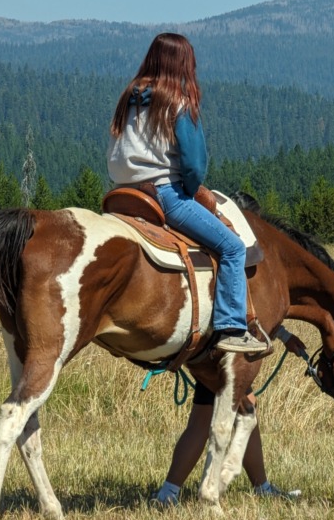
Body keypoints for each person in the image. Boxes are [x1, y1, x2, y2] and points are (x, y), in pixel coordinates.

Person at [107, 32, 267, 354]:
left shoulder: (129, 97)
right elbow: (194, 164)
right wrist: (192, 191)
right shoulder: (178, 102)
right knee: (233, 248)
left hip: (121, 194)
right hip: (164, 195)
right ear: (181, 64)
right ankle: (231, 327)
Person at [152, 325, 307, 506]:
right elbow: (248, 304)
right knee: (202, 423)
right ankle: (168, 494)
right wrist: (284, 335)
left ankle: (262, 487)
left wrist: (284, 335)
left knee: (245, 411)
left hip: (215, 345)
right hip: (225, 350)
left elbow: (254, 305)